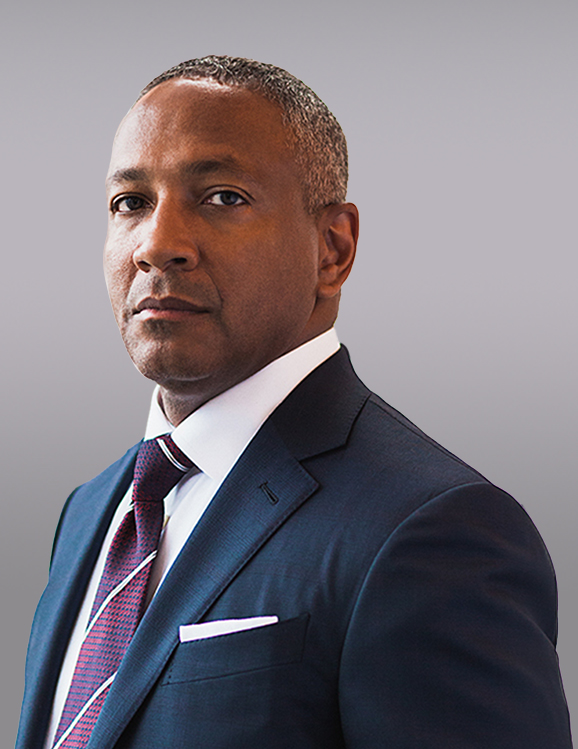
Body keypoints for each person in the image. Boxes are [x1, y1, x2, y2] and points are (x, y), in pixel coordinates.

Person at [16, 56, 572, 749]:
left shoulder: (435, 530)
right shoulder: (92, 512)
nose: (157, 245)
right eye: (131, 202)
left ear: (332, 249)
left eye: (222, 197)